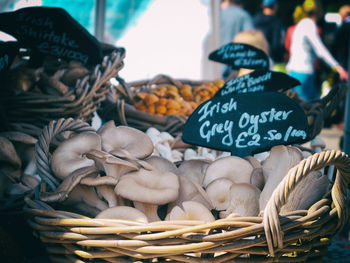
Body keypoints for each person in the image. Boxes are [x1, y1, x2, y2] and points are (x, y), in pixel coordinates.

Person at [286, 0, 348, 101]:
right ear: (318, 11)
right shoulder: (309, 25)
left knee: (302, 105)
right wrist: (338, 67)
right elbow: (320, 50)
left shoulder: (302, 24)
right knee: (307, 108)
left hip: (294, 71)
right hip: (303, 73)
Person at [220, 0, 254, 78]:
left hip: (215, 66)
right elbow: (251, 40)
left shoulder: (217, 15)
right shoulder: (243, 15)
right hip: (233, 69)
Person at [253, 0, 285, 65]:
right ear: (275, 6)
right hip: (270, 60)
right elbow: (277, 45)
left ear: (262, 5)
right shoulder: (276, 23)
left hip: (254, 58)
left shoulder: (254, 19)